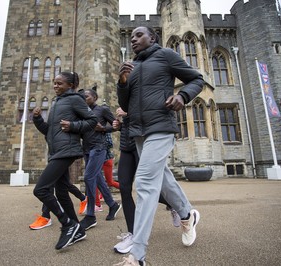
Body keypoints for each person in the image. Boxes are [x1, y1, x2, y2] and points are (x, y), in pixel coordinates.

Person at [114, 26, 205, 265]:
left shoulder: (165, 55)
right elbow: (125, 103)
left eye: (139, 35)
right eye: (131, 36)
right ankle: (187, 214)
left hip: (161, 126)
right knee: (163, 178)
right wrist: (122, 83)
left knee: (144, 182)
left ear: (152, 38)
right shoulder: (131, 67)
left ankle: (137, 256)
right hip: (138, 133)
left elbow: (197, 79)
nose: (133, 39)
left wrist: (182, 96)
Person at [32, 71, 98, 250]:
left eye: (59, 83)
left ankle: (67, 224)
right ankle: (78, 229)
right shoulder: (57, 102)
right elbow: (49, 131)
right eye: (54, 83)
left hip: (66, 151)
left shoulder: (75, 99)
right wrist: (37, 119)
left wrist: (73, 126)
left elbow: (93, 120)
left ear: (70, 85)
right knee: (61, 192)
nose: (55, 86)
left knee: (41, 189)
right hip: (56, 151)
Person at [112, 107, 181, 255]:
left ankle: (173, 205)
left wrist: (129, 113)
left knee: (147, 188)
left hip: (142, 143)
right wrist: (120, 126)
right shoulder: (124, 92)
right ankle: (132, 234)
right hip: (126, 146)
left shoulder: (141, 89)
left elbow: (150, 112)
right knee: (124, 188)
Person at [79, 89, 122, 231]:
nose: (85, 98)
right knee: (97, 178)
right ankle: (112, 204)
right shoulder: (82, 112)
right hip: (86, 149)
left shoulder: (102, 110)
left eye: (87, 96)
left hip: (99, 148)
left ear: (95, 97)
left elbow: (117, 126)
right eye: (83, 97)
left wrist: (103, 129)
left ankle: (90, 215)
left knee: (88, 177)